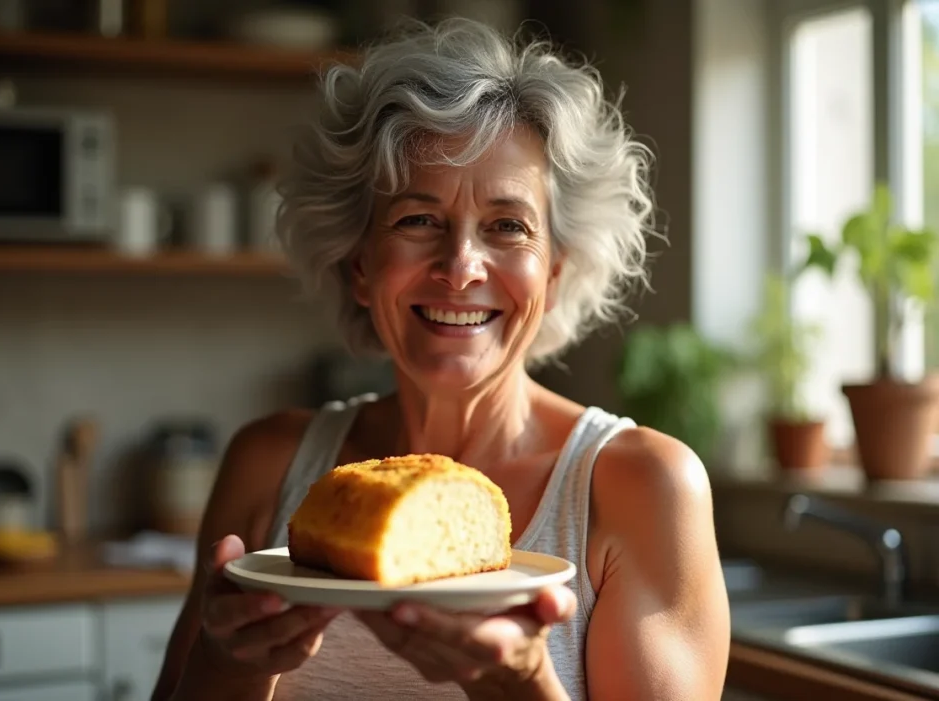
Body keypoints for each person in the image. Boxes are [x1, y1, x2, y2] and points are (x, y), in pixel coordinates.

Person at [152, 17, 730, 701]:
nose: (460, 267)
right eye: (417, 219)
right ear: (360, 264)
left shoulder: (643, 487)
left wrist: (517, 683)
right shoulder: (269, 464)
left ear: (553, 273)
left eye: (507, 225)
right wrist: (232, 662)